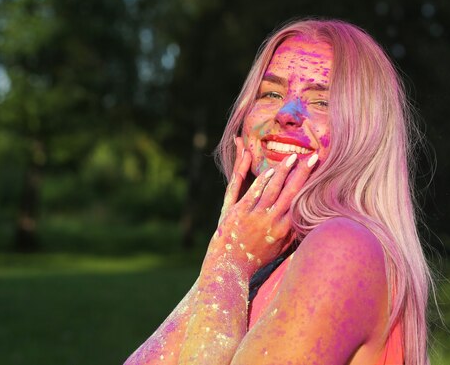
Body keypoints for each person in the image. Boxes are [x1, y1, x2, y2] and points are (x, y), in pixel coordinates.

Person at [124, 18, 432, 365]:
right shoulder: (270, 255)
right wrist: (227, 254)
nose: (287, 113)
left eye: (321, 102)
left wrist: (229, 264)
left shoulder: (343, 249)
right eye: (271, 93)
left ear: (368, 130)